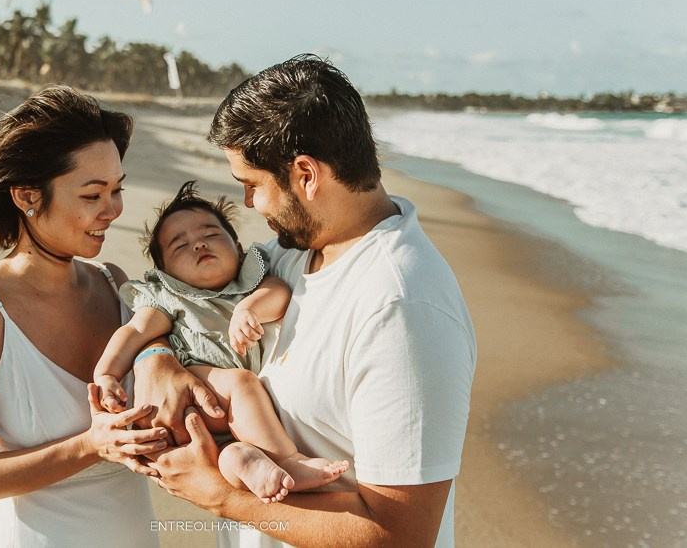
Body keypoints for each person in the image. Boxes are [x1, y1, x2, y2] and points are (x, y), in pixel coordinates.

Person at [135, 55, 477, 548]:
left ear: (306, 174)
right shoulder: (293, 254)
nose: (250, 205)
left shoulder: (401, 309)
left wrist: (222, 498)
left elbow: (401, 536)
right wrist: (156, 358)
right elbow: (191, 303)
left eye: (252, 185)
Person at [0, 86, 168, 547]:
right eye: (92, 194)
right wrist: (92, 445)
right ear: (28, 196)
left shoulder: (114, 284)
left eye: (117, 189)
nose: (113, 209)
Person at [92, 181, 348, 504]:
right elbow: (132, 333)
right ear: (165, 271)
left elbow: (280, 295)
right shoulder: (170, 298)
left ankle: (248, 464)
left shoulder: (250, 281)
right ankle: (289, 460)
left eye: (210, 235)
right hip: (199, 386)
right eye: (179, 245)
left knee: (234, 454)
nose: (198, 245)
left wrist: (248, 308)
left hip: (228, 414)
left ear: (238, 248)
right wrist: (106, 374)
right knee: (242, 382)